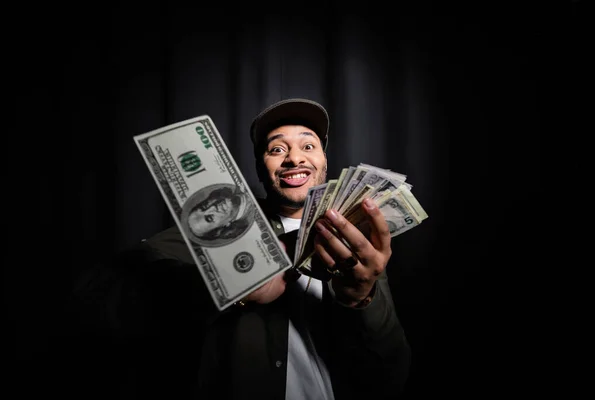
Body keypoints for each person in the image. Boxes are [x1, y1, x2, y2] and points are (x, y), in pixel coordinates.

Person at [65, 98, 411, 400]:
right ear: (262, 169)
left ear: (323, 161)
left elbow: (390, 375)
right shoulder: (220, 223)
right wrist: (231, 285)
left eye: (308, 146)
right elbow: (98, 298)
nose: (294, 158)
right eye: (277, 149)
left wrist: (361, 298)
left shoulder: (353, 241)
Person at [181, 183, 255, 244]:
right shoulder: (251, 217)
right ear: (220, 229)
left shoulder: (235, 184)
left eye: (204, 207)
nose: (212, 207)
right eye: (210, 218)